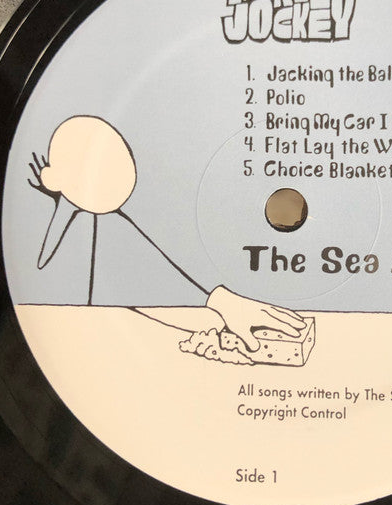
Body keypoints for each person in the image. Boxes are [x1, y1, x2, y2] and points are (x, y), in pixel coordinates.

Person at [28, 115, 305, 351]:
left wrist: (222, 303)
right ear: (52, 177)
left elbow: (149, 277)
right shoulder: (70, 226)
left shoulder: (107, 223)